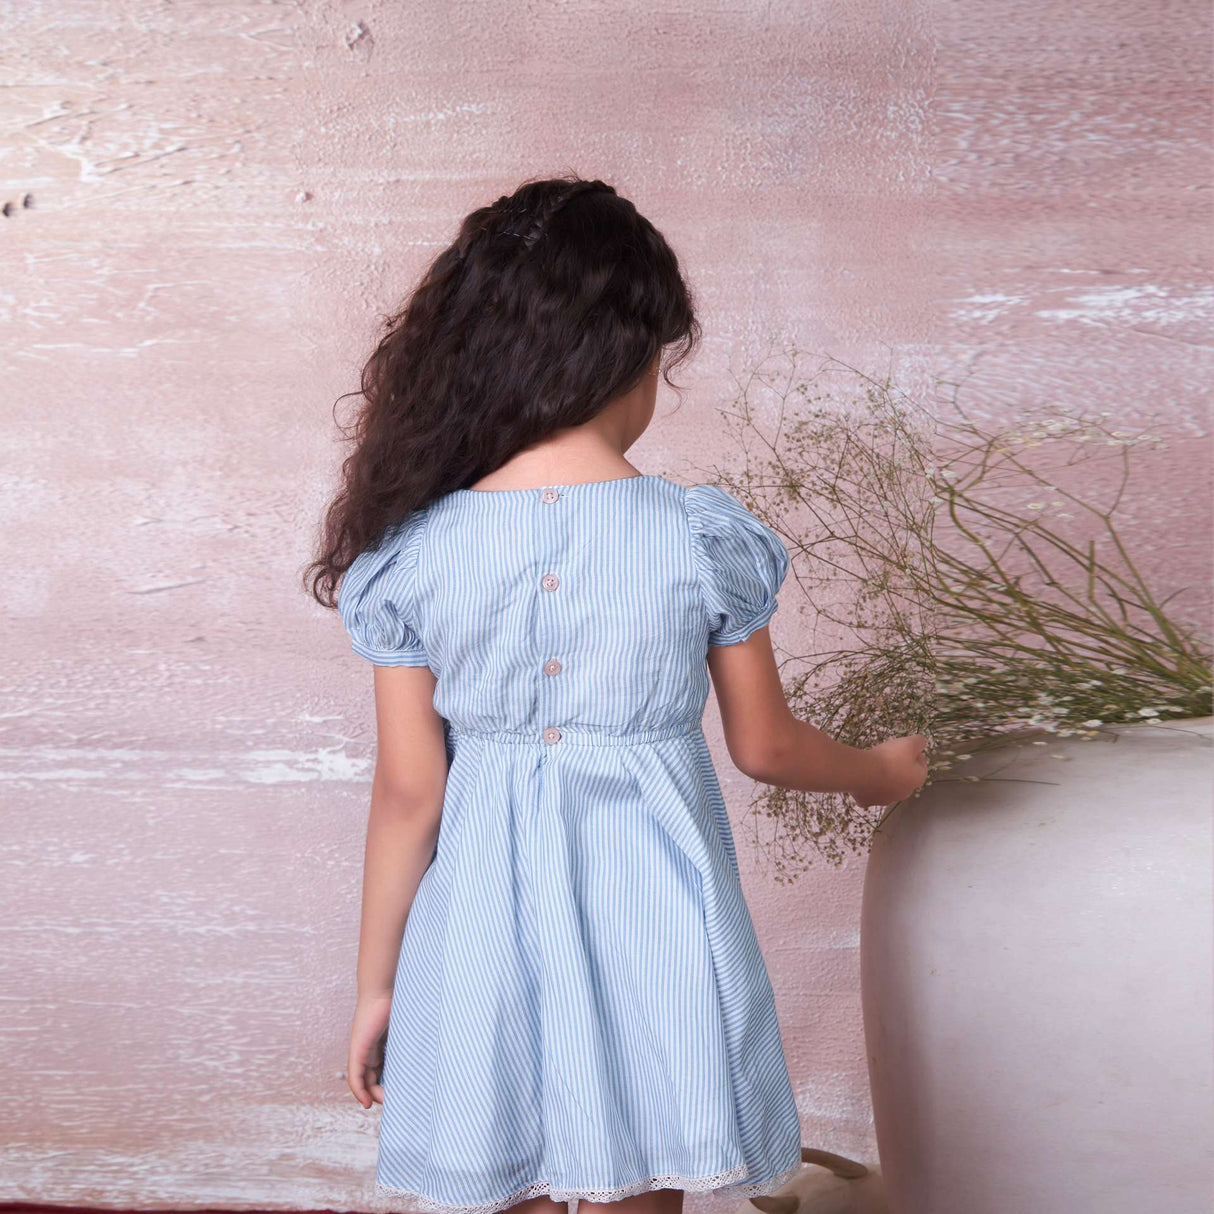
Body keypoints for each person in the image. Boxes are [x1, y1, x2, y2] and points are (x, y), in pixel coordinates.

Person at [304, 175, 928, 1214]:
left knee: (506, 1170)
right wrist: (881, 772)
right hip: (659, 929)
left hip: (477, 937)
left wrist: (378, 985)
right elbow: (766, 746)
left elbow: (409, 793)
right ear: (627, 354)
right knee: (644, 1176)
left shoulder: (411, 551)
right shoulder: (693, 534)